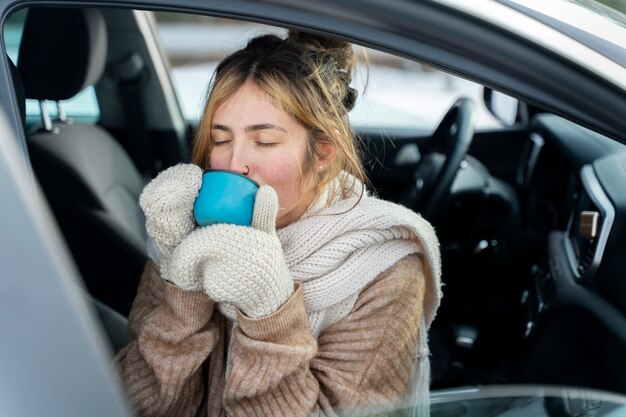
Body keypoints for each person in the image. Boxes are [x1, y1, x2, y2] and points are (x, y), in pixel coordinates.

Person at [115, 29, 442, 417]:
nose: (234, 164)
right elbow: (134, 407)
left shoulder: (383, 268)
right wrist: (182, 288)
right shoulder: (183, 229)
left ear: (323, 152)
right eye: (221, 140)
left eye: (264, 141)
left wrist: (270, 315)